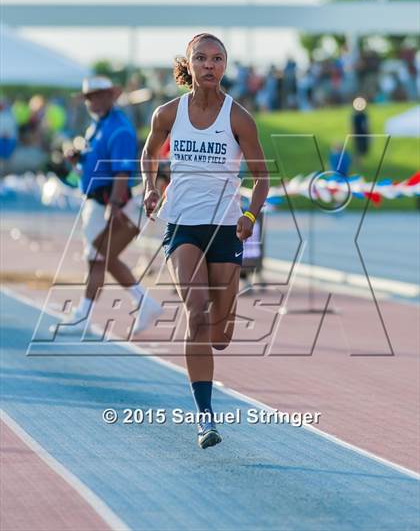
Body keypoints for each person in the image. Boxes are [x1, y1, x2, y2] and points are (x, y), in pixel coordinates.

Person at [141, 33, 269, 448]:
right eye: (202, 58)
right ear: (189, 64)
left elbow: (262, 177)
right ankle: (205, 419)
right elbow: (149, 155)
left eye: (217, 59)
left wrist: (250, 214)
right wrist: (151, 187)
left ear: (225, 67)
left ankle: (222, 326)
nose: (210, 65)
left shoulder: (238, 118)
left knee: (219, 334)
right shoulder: (168, 113)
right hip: (182, 226)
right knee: (195, 314)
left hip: (225, 228)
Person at [60, 76, 162, 337]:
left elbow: (121, 172)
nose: (90, 101)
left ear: (108, 96)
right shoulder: (98, 126)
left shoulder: (119, 128)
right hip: (96, 200)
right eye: (88, 97)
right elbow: (95, 166)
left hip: (110, 201)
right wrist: (77, 160)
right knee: (99, 257)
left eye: (95, 95)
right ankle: (141, 302)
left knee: (98, 257)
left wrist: (114, 204)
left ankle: (88, 313)